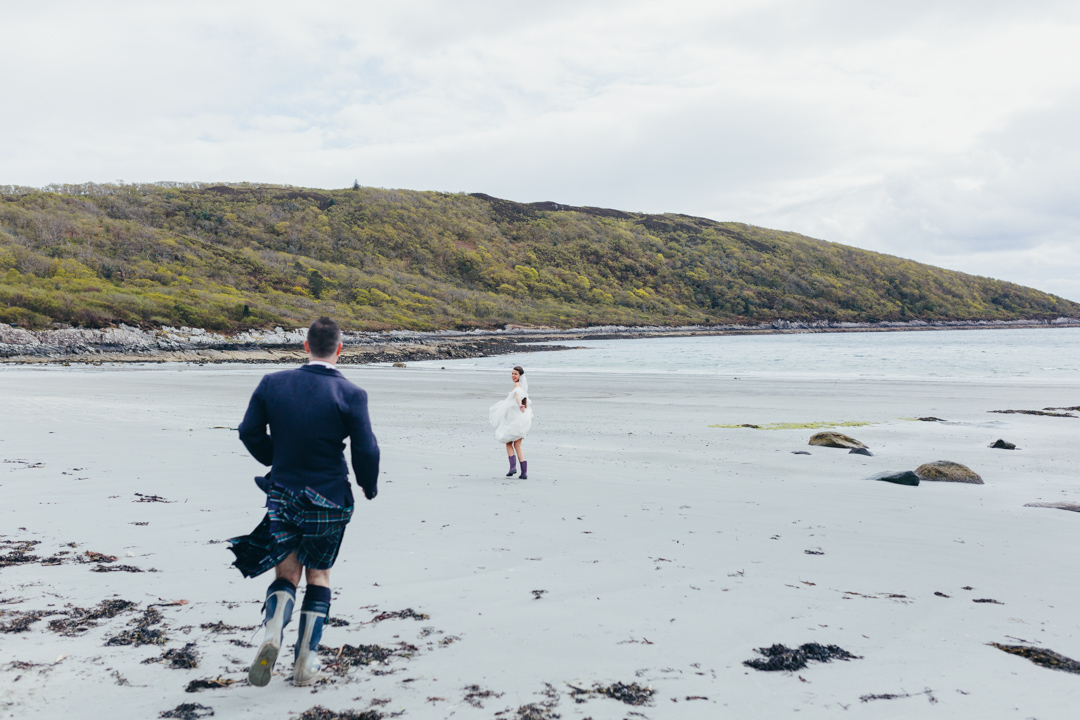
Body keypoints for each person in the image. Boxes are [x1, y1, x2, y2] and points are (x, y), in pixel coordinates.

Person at [229, 317, 379, 687]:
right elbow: (366, 448)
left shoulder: (273, 383)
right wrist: (368, 485)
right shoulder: (351, 394)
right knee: (319, 575)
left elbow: (248, 432)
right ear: (340, 349)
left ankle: (273, 631)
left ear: (305, 346)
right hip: (330, 498)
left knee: (287, 572)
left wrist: (272, 456)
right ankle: (305, 660)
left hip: (284, 493)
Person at [488, 365, 533, 479]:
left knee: (508, 442)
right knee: (518, 445)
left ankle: (512, 467)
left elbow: (517, 396)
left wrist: (519, 405)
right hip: (521, 418)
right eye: (512, 373)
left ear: (520, 376)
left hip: (513, 418)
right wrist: (522, 406)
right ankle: (524, 473)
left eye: (515, 374)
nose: (513, 376)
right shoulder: (522, 387)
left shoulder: (517, 387)